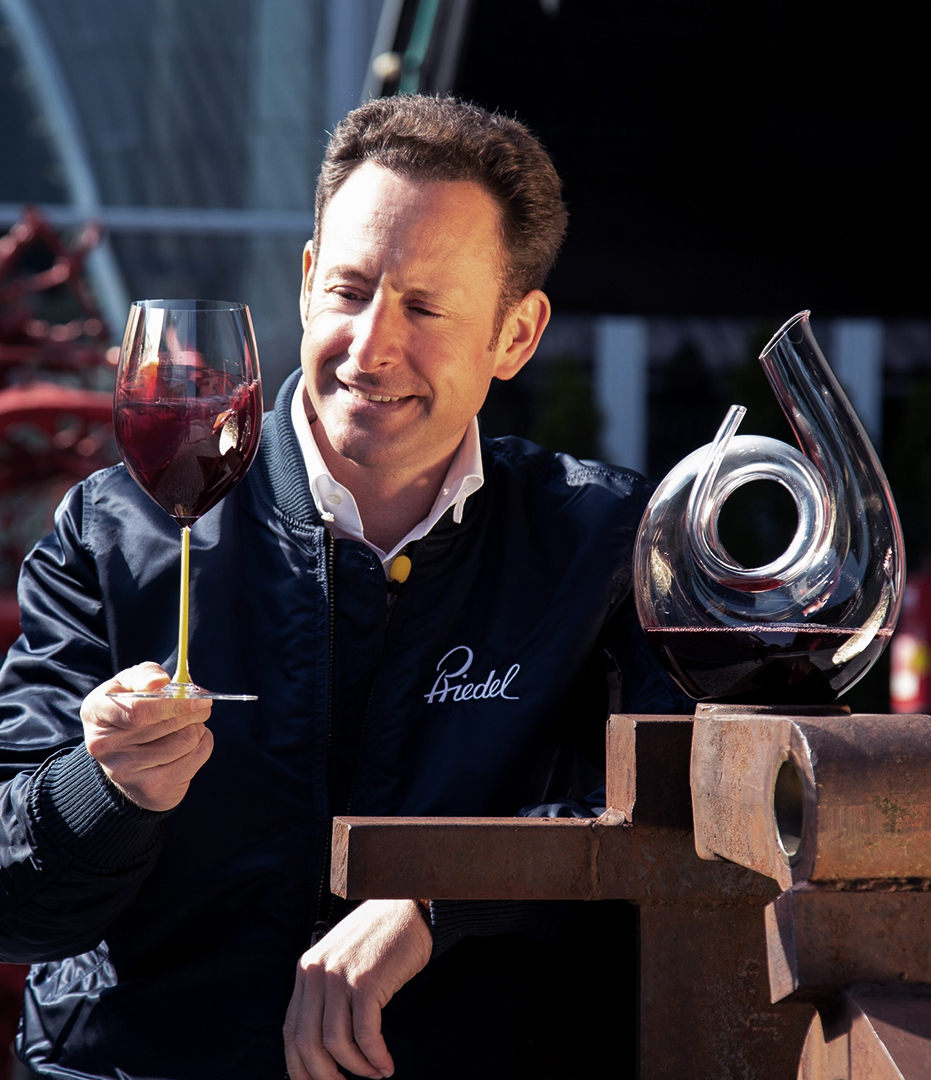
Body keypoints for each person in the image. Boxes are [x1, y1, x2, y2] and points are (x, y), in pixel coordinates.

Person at [0, 95, 687, 1079]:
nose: (371, 348)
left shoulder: (603, 544)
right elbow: (17, 910)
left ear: (516, 335)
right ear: (306, 281)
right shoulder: (114, 532)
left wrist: (439, 898)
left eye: (425, 307)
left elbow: (674, 813)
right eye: (352, 290)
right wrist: (102, 790)